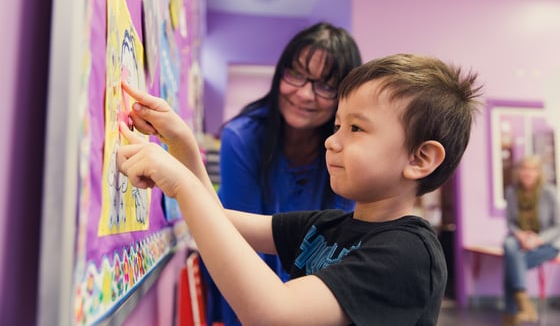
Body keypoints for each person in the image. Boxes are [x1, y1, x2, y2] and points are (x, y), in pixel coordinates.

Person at [117, 53, 482, 325]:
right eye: (336, 126)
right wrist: (183, 146)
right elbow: (219, 222)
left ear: (420, 159)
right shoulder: (327, 227)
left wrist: (181, 184)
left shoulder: (409, 255)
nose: (332, 142)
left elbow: (276, 314)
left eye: (355, 129)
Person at [213, 22, 362, 324]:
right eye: (296, 74)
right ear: (280, 73)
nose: (305, 95)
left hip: (312, 303)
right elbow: (240, 248)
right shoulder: (242, 138)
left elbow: (338, 246)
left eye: (326, 85)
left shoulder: (344, 148)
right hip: (247, 294)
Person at [502, 155, 560, 326]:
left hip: (548, 243)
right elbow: (510, 223)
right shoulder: (512, 192)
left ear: (538, 173)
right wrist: (520, 235)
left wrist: (537, 239)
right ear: (518, 172)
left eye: (532, 169)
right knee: (509, 243)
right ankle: (523, 304)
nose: (527, 173)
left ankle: (512, 316)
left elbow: (558, 225)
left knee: (511, 264)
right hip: (521, 241)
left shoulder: (549, 192)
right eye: (524, 168)